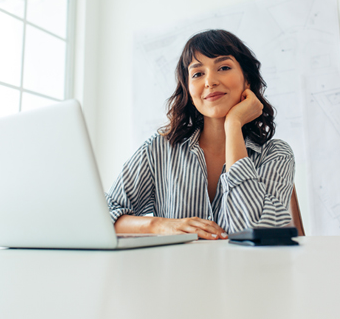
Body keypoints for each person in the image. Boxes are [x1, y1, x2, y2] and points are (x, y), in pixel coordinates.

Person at [106, 29, 295, 239]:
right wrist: (158, 225)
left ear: (247, 80)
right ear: (188, 88)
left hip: (247, 271)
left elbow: (256, 233)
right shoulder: (158, 149)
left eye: (223, 67)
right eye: (197, 74)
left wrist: (233, 125)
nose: (210, 81)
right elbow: (103, 215)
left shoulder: (276, 154)